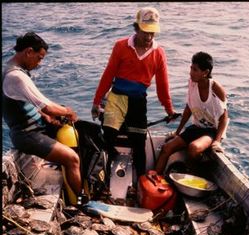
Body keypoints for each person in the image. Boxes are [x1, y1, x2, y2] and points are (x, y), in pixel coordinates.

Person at [91, 7, 178, 181]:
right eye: (145, 32)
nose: (149, 37)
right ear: (136, 28)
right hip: (116, 99)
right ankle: (102, 182)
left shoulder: (158, 53)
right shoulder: (121, 46)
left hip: (139, 102)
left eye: (153, 32)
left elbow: (163, 86)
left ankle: (141, 183)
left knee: (139, 143)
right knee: (107, 140)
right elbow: (108, 75)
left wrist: (169, 110)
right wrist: (96, 102)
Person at [2, 32, 82, 196]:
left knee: (85, 135)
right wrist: (68, 112)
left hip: (36, 127)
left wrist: (46, 117)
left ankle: (82, 185)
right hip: (27, 134)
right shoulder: (16, 76)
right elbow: (47, 107)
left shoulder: (14, 70)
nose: (39, 64)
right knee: (72, 159)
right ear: (29, 52)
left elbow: (29, 105)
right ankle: (82, 201)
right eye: (39, 58)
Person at [155, 51, 228, 175]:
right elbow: (189, 107)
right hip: (196, 128)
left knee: (193, 148)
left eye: (195, 70)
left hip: (211, 131)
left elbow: (224, 118)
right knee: (166, 148)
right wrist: (177, 132)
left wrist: (217, 141)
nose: (191, 72)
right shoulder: (192, 82)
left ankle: (202, 167)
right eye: (191, 68)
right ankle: (154, 179)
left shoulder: (216, 89)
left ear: (205, 73)